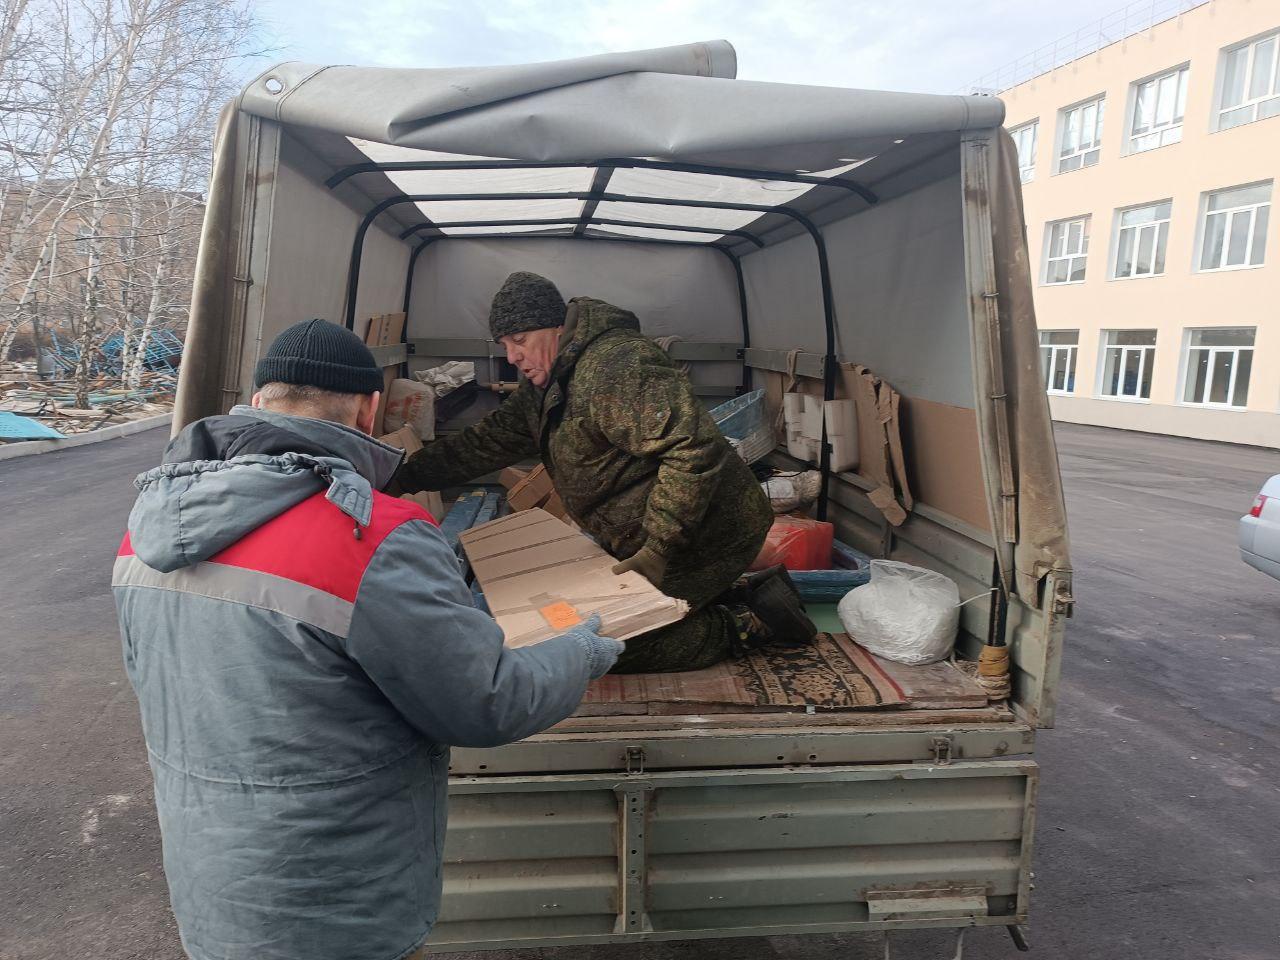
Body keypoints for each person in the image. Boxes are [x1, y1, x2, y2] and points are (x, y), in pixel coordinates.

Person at [112, 318, 623, 960]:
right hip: (338, 898)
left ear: (261, 397)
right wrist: (580, 650)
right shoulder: (372, 536)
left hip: (213, 883)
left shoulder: (147, 529)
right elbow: (485, 701)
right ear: (369, 408)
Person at [398, 271, 814, 673]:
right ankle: (735, 594)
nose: (512, 357)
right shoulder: (548, 384)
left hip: (706, 533)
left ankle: (750, 625)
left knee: (607, 645)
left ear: (556, 327)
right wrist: (402, 476)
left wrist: (659, 548)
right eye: (505, 343)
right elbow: (487, 441)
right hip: (649, 537)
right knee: (580, 627)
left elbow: (691, 448)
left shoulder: (617, 365)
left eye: (520, 340)